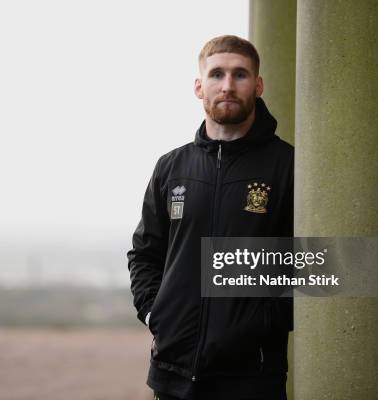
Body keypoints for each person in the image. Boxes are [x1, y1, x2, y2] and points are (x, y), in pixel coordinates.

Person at [127, 35, 293, 400]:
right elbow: (145, 253)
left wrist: (263, 322)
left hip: (252, 378)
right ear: (199, 86)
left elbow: (307, 262)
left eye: (240, 74)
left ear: (258, 85)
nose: (228, 85)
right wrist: (156, 314)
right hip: (173, 373)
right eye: (217, 74)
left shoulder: (288, 166)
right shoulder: (171, 167)